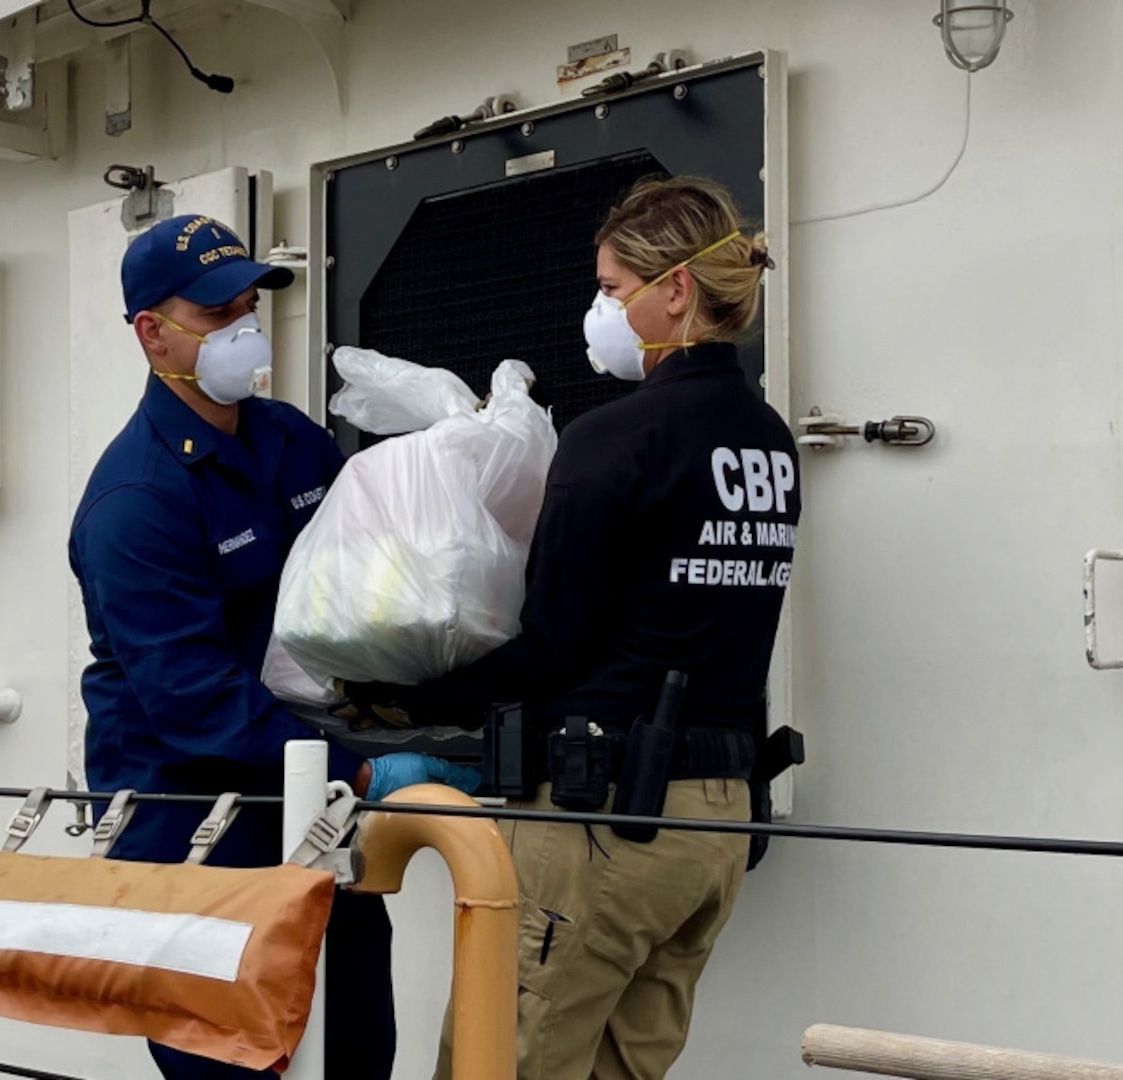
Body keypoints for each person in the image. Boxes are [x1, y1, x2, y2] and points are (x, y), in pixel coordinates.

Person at [342, 176, 800, 1080]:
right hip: (716, 827)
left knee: (494, 1064)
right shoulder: (769, 441)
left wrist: (401, 700)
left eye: (610, 289)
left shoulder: (615, 439)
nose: (599, 311)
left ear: (675, 292)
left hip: (605, 826)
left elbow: (553, 647)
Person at [68, 213, 478, 1080]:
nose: (245, 330)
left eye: (250, 307)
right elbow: (191, 698)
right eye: (219, 315)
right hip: (198, 835)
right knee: (235, 1066)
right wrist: (365, 771)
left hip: (320, 818)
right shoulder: (134, 501)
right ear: (153, 333)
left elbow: (366, 575)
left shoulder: (288, 438)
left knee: (358, 1050)